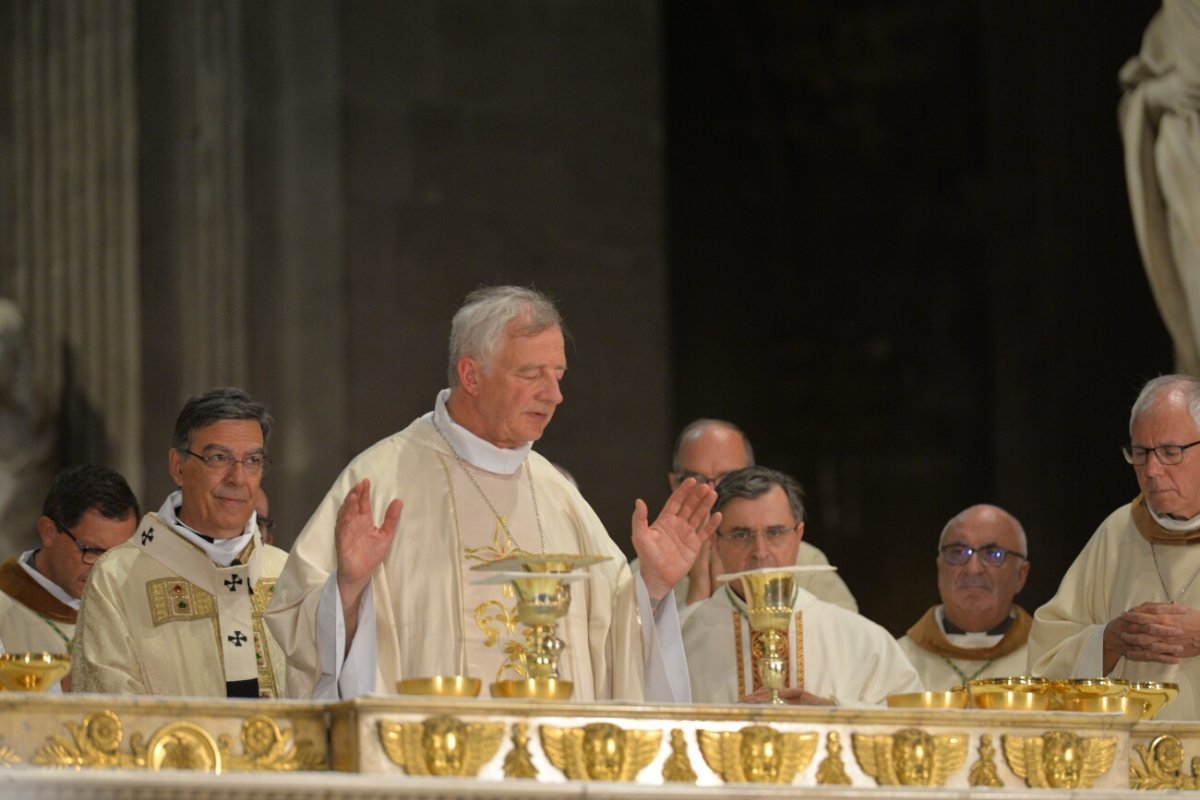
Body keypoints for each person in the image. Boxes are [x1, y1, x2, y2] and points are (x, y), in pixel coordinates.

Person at [266, 286, 719, 701]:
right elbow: (302, 632)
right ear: (472, 376)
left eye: (558, 374)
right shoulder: (380, 482)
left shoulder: (558, 495)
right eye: (532, 374)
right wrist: (349, 587)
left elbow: (615, 644)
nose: (555, 394)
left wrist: (655, 585)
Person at [71, 387, 288, 698]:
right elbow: (110, 715)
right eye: (219, 458)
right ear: (178, 467)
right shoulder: (118, 578)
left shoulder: (286, 573)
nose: (238, 478)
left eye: (252, 460)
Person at [1030, 374, 1200, 720]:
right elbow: (1045, 659)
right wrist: (1106, 642)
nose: (1151, 470)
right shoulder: (1118, 531)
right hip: (1129, 762)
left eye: (1170, 452)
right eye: (1140, 453)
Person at [682, 466, 921, 705]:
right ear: (715, 542)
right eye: (742, 535)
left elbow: (912, 724)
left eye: (775, 532)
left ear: (798, 535)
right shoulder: (682, 638)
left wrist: (831, 713)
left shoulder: (863, 641)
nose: (760, 552)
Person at [656, 419, 857, 611]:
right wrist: (698, 594)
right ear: (675, 484)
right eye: (696, 478)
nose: (712, 492)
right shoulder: (652, 567)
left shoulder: (804, 560)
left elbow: (845, 635)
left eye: (728, 478)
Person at [0, 465, 138, 689]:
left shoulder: (132, 609)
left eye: (118, 555)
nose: (104, 569)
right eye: (91, 550)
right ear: (48, 532)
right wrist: (61, 689)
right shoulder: (4, 605)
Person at [897, 504, 1032, 689]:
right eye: (958, 552)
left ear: (1021, 575)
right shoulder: (897, 660)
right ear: (939, 568)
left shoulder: (1048, 660)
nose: (973, 569)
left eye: (993, 554)